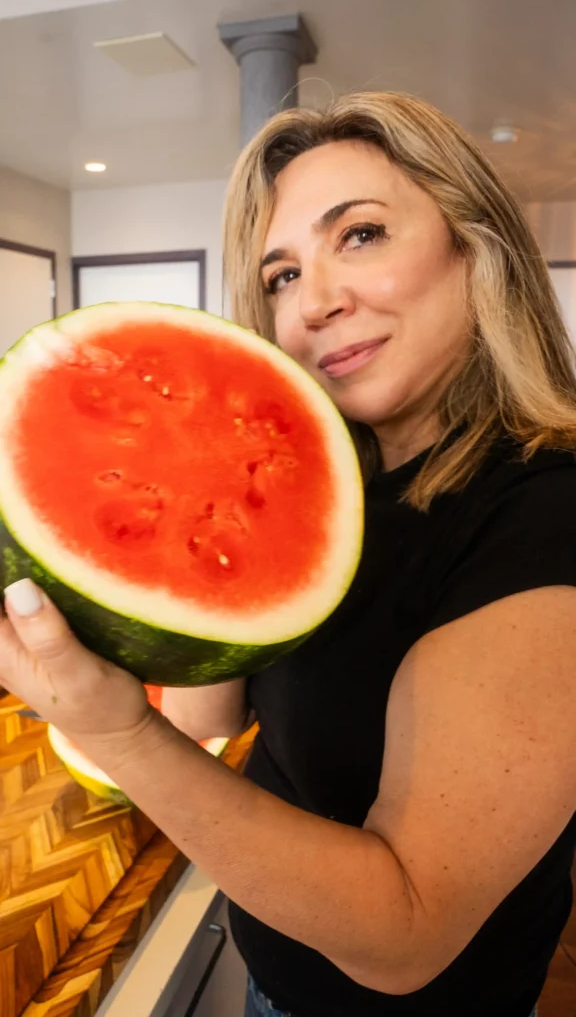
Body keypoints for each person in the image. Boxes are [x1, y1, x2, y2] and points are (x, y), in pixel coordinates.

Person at [1, 92, 575, 1017]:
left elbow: (408, 932)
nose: (314, 302)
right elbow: (209, 708)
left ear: (476, 244)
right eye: (278, 275)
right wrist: (156, 552)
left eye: (361, 235)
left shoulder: (543, 511)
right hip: (273, 976)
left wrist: (116, 734)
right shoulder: (337, 480)